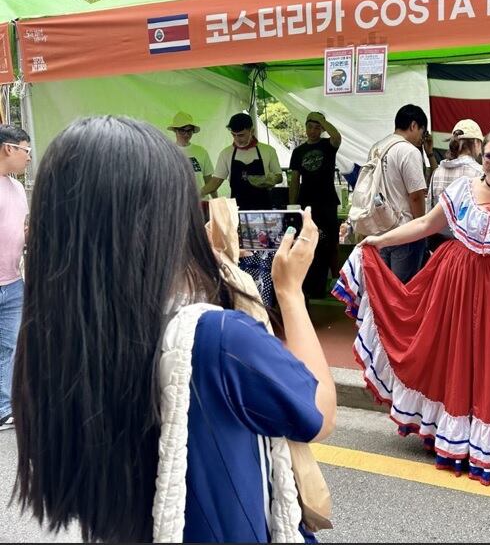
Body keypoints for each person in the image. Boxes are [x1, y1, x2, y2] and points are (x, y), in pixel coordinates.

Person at [12, 116, 336, 542]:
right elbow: (320, 413)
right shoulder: (217, 339)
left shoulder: (54, 335)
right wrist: (290, 293)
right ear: (167, 219)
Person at [332, 124, 490, 485]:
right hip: (455, 282)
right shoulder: (463, 189)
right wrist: (379, 241)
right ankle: (455, 437)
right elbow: (425, 225)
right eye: (489, 155)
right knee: (454, 356)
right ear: (481, 155)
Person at [367, 104, 430, 282]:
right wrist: (421, 228)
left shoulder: (376, 148)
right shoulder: (408, 151)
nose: (421, 138)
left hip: (378, 229)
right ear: (413, 125)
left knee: (382, 291)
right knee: (403, 290)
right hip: (404, 231)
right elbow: (416, 195)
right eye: (422, 132)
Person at [289, 111, 342, 299]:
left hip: (327, 200)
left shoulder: (328, 145)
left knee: (332, 242)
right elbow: (294, 180)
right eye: (310, 126)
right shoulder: (298, 151)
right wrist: (292, 204)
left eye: (317, 127)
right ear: (305, 127)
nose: (313, 130)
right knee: (308, 241)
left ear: (322, 128)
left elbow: (337, 137)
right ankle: (310, 282)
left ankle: (336, 279)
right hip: (307, 202)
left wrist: (323, 121)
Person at [0, 125, 30, 432]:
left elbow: (18, 228)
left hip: (12, 281)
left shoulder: (18, 188)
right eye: (26, 151)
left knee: (10, 346)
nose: (28, 158)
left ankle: (4, 407)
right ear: (9, 148)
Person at [201, 112, 284, 210]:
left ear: (252, 131)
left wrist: (271, 180)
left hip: (263, 207)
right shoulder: (226, 153)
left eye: (241, 135)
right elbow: (215, 182)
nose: (237, 139)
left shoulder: (268, 150)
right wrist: (196, 194)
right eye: (234, 135)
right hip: (237, 209)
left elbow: (279, 177)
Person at [426, 119, 483, 252]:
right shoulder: (480, 173)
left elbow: (429, 214)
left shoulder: (437, 172)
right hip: (469, 249)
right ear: (476, 142)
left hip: (439, 248)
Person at [166, 111, 216, 198]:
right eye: (182, 131)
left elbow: (209, 181)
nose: (186, 134)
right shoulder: (167, 152)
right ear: (175, 130)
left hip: (200, 204)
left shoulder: (201, 152)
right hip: (178, 204)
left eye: (189, 131)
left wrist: (216, 201)